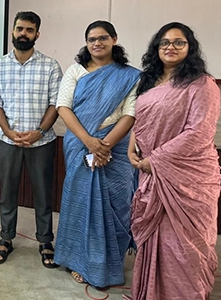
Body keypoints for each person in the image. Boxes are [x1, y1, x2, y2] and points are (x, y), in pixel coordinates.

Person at [126, 22, 220, 300]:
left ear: (190, 47)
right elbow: (140, 121)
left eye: (179, 42)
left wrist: (154, 160)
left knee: (185, 244)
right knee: (156, 238)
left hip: (188, 179)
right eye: (165, 42)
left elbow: (199, 132)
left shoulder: (202, 84)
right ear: (156, 48)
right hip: (152, 173)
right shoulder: (149, 81)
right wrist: (132, 148)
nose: (171, 47)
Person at [53, 20, 140, 288]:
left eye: (102, 38)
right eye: (91, 39)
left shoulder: (130, 75)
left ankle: (109, 263)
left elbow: (130, 113)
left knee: (117, 204)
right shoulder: (75, 71)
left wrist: (105, 145)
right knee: (80, 202)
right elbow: (63, 107)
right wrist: (89, 142)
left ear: (114, 39)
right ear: (86, 43)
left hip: (117, 148)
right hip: (81, 144)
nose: (97, 43)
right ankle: (78, 260)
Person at [0, 11, 63, 267]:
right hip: (8, 140)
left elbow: (55, 103)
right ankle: (6, 238)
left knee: (43, 193)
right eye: (20, 29)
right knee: (8, 192)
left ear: (37, 34)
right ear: (12, 31)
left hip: (41, 142)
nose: (23, 34)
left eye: (29, 30)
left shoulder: (50, 66)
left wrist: (39, 132)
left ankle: (45, 241)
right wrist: (9, 132)